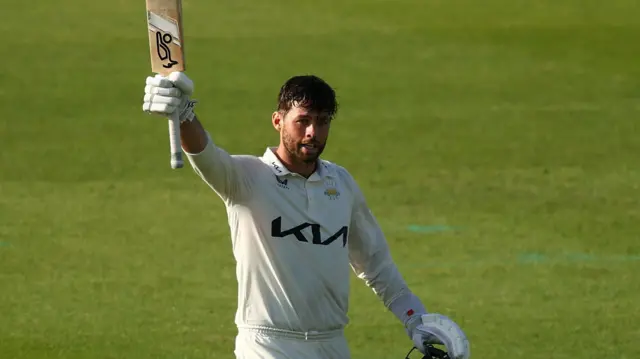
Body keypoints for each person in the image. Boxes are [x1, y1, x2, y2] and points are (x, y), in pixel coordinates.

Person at [142, 72, 471, 359]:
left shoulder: (341, 185)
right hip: (268, 346)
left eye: (323, 121)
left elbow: (375, 264)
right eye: (303, 120)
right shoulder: (246, 178)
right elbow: (206, 155)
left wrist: (416, 318)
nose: (313, 131)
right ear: (278, 121)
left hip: (331, 345)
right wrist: (184, 114)